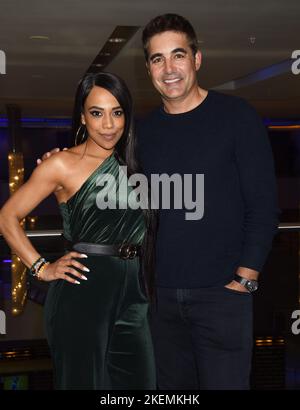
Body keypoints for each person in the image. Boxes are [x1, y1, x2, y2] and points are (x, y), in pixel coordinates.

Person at [37, 14, 279, 390]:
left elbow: (263, 205)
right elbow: (95, 171)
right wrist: (54, 163)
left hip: (222, 295)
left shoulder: (237, 117)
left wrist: (246, 279)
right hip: (155, 298)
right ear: (148, 67)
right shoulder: (140, 134)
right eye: (157, 58)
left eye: (178, 55)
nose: (169, 69)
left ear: (196, 59)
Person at [0, 72, 156, 390]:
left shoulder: (137, 163)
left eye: (117, 112)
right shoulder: (60, 164)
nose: (108, 124)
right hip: (84, 287)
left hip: (133, 290)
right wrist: (41, 268)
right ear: (83, 117)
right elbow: (6, 217)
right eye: (97, 113)